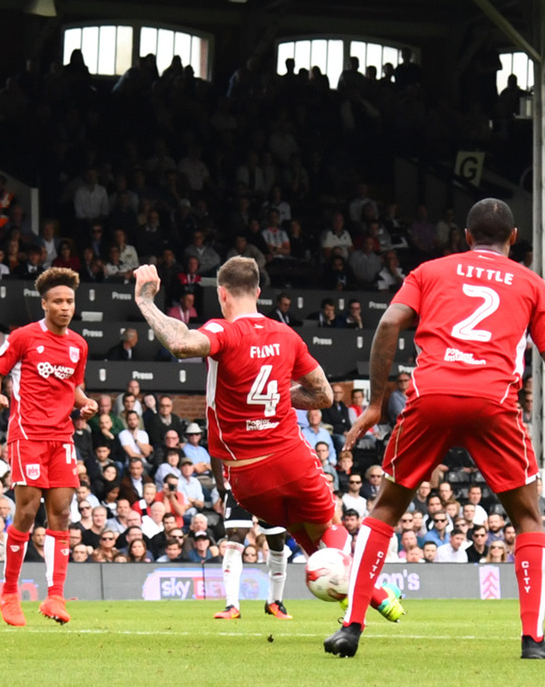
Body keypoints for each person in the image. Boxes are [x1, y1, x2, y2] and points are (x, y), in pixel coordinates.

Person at [327, 199, 545, 661]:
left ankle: (351, 626)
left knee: (386, 508)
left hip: (431, 395)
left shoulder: (431, 270)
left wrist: (377, 402)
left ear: (465, 237)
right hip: (493, 402)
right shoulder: (532, 283)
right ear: (514, 238)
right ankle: (533, 640)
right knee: (527, 518)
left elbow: (388, 324)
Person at [134, 257, 402, 626]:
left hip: (246, 478)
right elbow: (323, 396)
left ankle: (368, 594)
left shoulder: (222, 332)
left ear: (221, 294)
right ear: (259, 293)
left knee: (297, 526)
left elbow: (180, 343)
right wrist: (279, 395)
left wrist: (146, 302)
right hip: (290, 458)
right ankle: (373, 593)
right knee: (326, 527)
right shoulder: (286, 335)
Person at [0, 266, 97, 627]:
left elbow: (72, 387)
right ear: (44, 304)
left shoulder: (79, 345)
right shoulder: (23, 337)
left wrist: (85, 403)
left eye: (70, 301)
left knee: (62, 512)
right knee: (28, 511)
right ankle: (10, 593)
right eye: (59, 301)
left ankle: (55, 597)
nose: (66, 307)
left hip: (61, 436)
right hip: (28, 434)